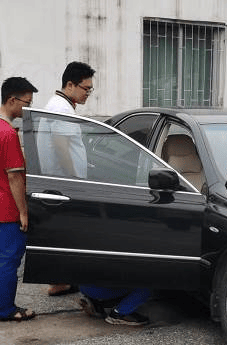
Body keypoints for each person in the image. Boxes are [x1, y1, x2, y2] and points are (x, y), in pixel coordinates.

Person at [39, 61, 95, 297]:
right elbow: (62, 148)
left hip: (57, 183)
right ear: (70, 85)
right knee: (65, 236)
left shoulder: (58, 105)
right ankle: (59, 282)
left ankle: (60, 281)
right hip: (64, 184)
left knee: (59, 235)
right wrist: (74, 180)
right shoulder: (61, 110)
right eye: (86, 88)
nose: (88, 94)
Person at [1, 77, 38, 321]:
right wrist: (23, 212)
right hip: (7, 209)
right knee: (8, 261)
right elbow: (15, 179)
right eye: (27, 102)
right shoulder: (9, 135)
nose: (28, 108)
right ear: (12, 100)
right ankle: (5, 309)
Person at [78, 286, 151, 326]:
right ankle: (118, 314)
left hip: (84, 286)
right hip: (103, 290)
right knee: (146, 288)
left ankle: (97, 303)